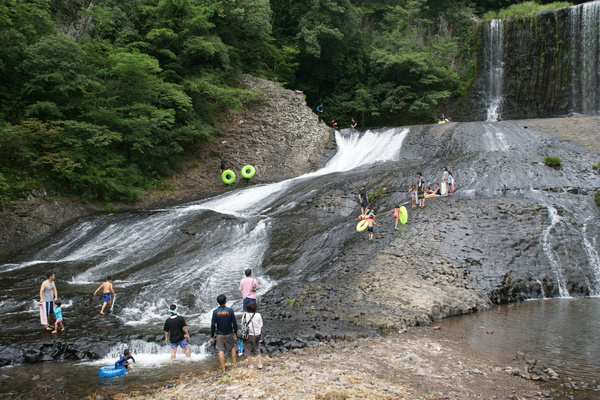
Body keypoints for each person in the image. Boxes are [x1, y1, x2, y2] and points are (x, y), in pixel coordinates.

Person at [210, 294, 238, 372]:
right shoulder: (230, 310)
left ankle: (223, 368)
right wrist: (235, 333)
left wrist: (212, 335)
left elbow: (213, 324)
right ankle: (235, 364)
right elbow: (234, 323)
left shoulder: (215, 312)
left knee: (221, 351)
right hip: (229, 332)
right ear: (225, 301)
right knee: (232, 347)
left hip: (219, 334)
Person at [242, 301, 264, 369]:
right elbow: (261, 325)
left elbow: (242, 324)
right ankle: (260, 364)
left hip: (247, 335)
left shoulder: (245, 315)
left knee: (247, 350)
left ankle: (251, 364)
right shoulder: (258, 315)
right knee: (257, 349)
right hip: (256, 335)